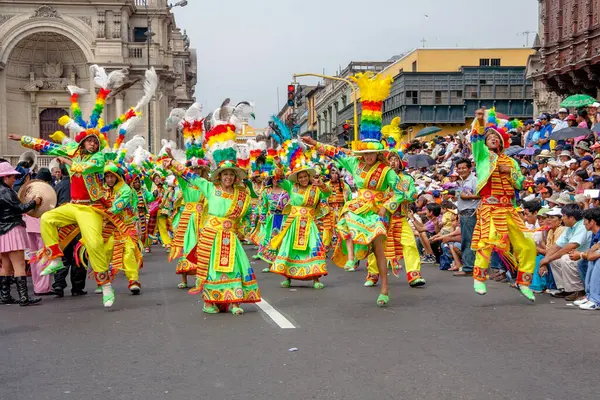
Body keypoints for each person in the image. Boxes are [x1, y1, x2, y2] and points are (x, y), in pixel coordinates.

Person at [303, 72, 406, 307]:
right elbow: (335, 152)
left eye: (371, 153)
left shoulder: (387, 171)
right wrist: (315, 144)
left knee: (380, 252)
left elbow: (401, 192)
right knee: (345, 218)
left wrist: (386, 207)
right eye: (364, 154)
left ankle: (385, 288)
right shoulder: (354, 162)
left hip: (378, 210)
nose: (367, 157)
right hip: (359, 206)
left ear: (378, 153)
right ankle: (350, 258)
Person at [165, 112, 260, 315]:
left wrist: (243, 231)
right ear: (220, 176)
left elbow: (246, 217)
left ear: (235, 177)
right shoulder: (209, 188)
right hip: (211, 235)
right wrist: (173, 163)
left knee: (234, 265)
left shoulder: (241, 196)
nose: (228, 177)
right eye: (225, 174)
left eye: (231, 175)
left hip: (230, 236)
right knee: (210, 269)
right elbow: (190, 176)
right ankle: (209, 301)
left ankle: (234, 302)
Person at [470, 108, 536, 301]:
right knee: (488, 240)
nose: (493, 139)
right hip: (490, 208)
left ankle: (523, 282)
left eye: (496, 137)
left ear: (501, 142)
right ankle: (479, 278)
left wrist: (511, 173)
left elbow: (521, 184)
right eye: (489, 137)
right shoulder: (482, 156)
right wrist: (480, 121)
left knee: (527, 244)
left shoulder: (511, 162)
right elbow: (475, 137)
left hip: (509, 209)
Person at [270, 137, 330, 289]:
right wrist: (278, 166)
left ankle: (316, 278)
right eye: (300, 177)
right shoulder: (292, 187)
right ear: (297, 178)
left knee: (313, 247)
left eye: (305, 176)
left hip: (310, 223)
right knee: (289, 248)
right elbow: (279, 178)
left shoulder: (315, 188)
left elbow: (328, 193)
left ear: (309, 177)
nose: (303, 179)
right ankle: (288, 277)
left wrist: (322, 184)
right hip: (294, 222)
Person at [0, 161, 42, 306]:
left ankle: (4, 296)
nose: (14, 180)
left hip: (2, 232)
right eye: (12, 177)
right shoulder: (6, 192)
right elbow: (20, 208)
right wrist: (35, 202)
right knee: (19, 265)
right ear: (5, 178)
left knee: (5, 266)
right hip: (12, 229)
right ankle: (24, 297)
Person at [539, 204, 589, 301]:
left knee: (565, 258)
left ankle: (578, 290)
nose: (562, 219)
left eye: (563, 216)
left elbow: (569, 247)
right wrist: (546, 260)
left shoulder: (582, 226)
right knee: (555, 259)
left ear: (571, 217)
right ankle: (566, 289)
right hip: (577, 255)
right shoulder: (569, 228)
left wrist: (547, 259)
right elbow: (556, 246)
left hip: (584, 256)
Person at [51, 163, 87, 297]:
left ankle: (59, 284)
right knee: (79, 256)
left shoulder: (57, 187)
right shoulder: (81, 185)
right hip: (79, 226)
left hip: (63, 227)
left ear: (61, 172)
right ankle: (77, 287)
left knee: (63, 257)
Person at [454, 158, 479, 277]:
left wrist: (466, 196)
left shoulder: (474, 180)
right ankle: (469, 265)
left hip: (470, 213)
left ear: (470, 168)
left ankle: (469, 267)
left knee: (468, 240)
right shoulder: (461, 182)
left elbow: (481, 194)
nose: (461, 170)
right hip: (463, 213)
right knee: (465, 240)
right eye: (459, 168)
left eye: (464, 168)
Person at [573, 208, 600, 310]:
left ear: (592, 222)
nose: (583, 223)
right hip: (593, 255)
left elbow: (591, 255)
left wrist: (593, 250)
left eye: (585, 220)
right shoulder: (595, 233)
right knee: (584, 263)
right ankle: (589, 296)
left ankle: (596, 300)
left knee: (597, 261)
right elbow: (590, 253)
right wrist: (593, 249)